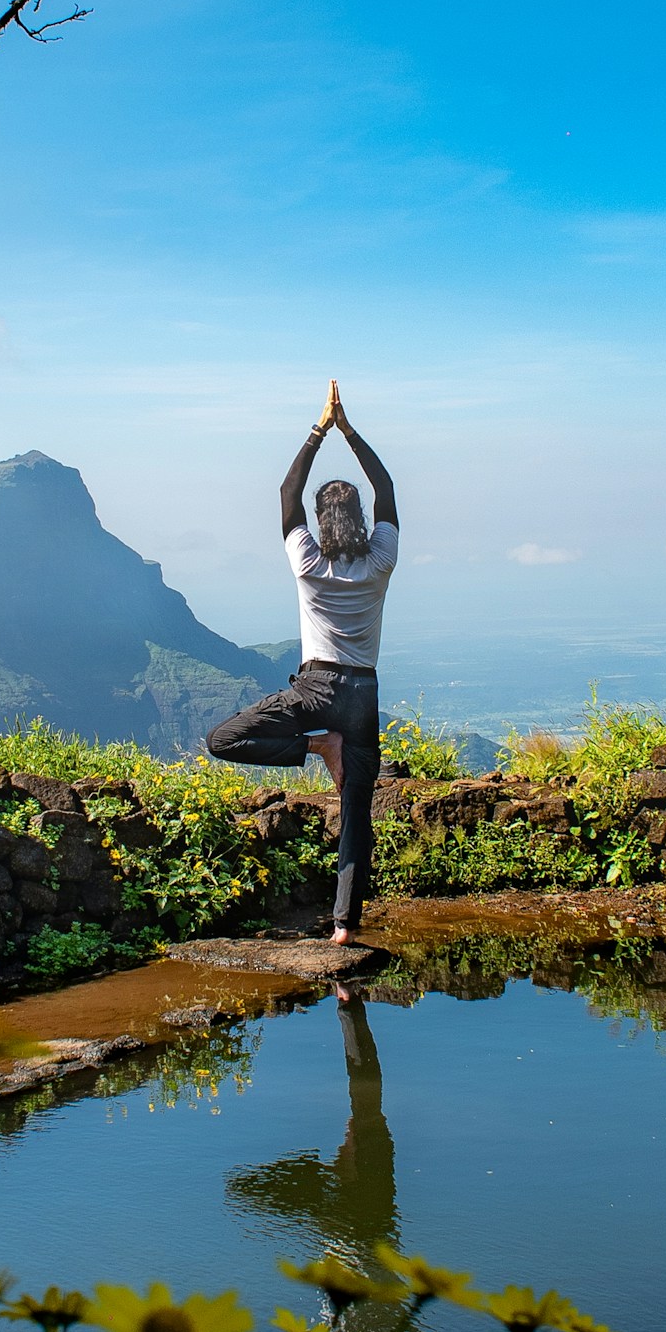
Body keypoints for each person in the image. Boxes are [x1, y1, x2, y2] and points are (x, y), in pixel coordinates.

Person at [205, 383, 398, 942]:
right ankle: (344, 926)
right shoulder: (381, 559)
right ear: (361, 517)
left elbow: (288, 490)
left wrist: (319, 429)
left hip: (316, 690)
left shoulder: (307, 560)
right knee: (355, 811)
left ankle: (317, 745)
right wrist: (350, 431)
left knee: (223, 739)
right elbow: (385, 487)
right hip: (363, 694)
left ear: (319, 519)